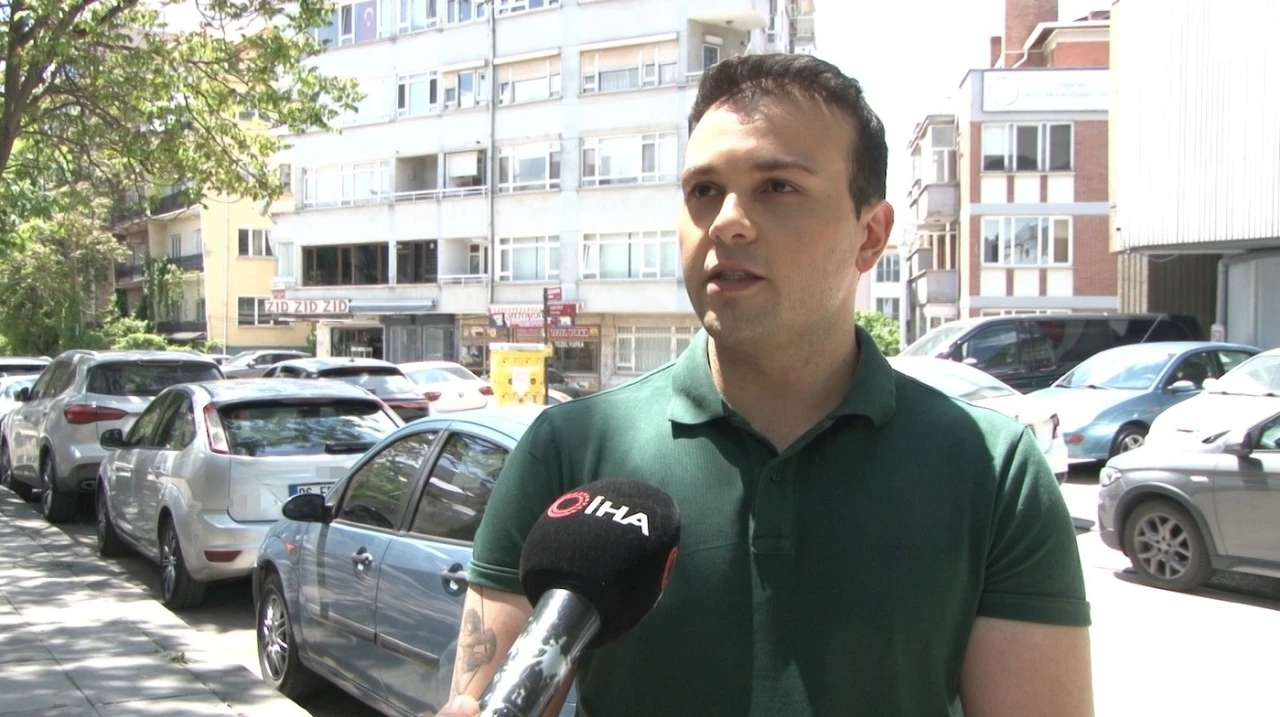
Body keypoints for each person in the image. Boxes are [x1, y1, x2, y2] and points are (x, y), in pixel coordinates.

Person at [437, 53, 1093, 717]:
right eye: (703, 190)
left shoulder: (994, 472)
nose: (727, 220)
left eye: (777, 186)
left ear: (870, 235)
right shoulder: (569, 450)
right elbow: (487, 697)